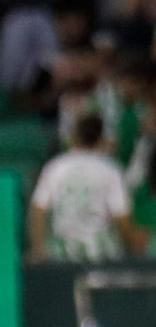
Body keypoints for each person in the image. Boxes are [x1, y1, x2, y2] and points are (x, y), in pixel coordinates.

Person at [29, 113, 140, 264]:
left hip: (62, 255)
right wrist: (134, 246)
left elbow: (38, 209)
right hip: (101, 255)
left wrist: (38, 248)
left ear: (74, 136)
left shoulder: (55, 167)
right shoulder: (111, 169)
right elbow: (121, 217)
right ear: (101, 139)